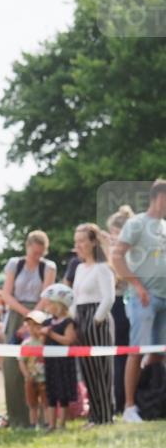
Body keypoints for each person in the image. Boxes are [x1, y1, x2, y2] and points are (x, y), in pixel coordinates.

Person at [112, 178, 166, 423]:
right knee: (136, 350)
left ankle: (151, 398)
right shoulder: (137, 224)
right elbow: (117, 256)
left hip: (164, 297)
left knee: (158, 353)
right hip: (143, 298)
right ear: (159, 197)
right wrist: (137, 285)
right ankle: (129, 407)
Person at [0, 230, 58, 427]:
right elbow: (6, 294)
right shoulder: (15, 264)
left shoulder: (48, 267)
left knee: (39, 366)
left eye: (40, 253)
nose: (37, 257)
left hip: (39, 314)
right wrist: (25, 315)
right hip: (17, 314)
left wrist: (33, 319)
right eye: (34, 253)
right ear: (27, 248)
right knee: (13, 367)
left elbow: (46, 295)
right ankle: (17, 417)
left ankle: (43, 418)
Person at [71, 223, 116, 426]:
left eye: (82, 240)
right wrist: (73, 320)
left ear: (92, 242)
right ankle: (95, 416)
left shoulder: (103, 268)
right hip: (80, 318)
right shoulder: (80, 268)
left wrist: (96, 321)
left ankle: (106, 416)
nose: (78, 245)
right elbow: (75, 297)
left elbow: (109, 298)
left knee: (101, 370)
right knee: (88, 370)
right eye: (76, 241)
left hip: (97, 319)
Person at [106, 205, 135, 414]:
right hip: (119, 304)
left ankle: (123, 400)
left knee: (122, 355)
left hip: (122, 304)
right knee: (120, 354)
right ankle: (120, 400)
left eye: (114, 233)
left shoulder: (125, 252)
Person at [39, 284, 78, 431]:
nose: (46, 306)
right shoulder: (47, 322)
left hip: (63, 363)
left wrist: (50, 334)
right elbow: (44, 342)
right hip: (51, 362)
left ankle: (61, 424)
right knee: (51, 393)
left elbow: (69, 340)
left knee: (62, 394)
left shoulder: (68, 322)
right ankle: (51, 424)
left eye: (49, 303)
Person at [19, 310, 48, 428]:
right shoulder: (26, 344)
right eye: (29, 325)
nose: (32, 328)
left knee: (46, 402)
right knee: (32, 403)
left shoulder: (46, 342)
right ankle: (33, 424)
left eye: (36, 325)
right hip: (31, 379)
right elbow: (21, 361)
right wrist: (27, 375)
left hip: (45, 378)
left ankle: (47, 422)